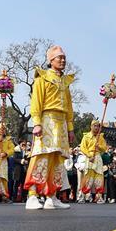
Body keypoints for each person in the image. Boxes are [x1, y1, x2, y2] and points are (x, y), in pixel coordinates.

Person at [23, 45, 75, 211]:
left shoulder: (65, 82)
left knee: (58, 160)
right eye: (59, 57)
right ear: (50, 60)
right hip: (47, 120)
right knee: (41, 156)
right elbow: (36, 102)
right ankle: (32, 195)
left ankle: (51, 196)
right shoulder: (42, 78)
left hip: (61, 124)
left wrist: (71, 127)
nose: (63, 60)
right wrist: (36, 122)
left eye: (64, 57)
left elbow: (69, 106)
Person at [78, 121, 108, 203]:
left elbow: (105, 148)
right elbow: (83, 148)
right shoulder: (86, 137)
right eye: (95, 126)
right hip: (90, 157)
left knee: (99, 176)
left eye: (98, 126)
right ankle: (82, 196)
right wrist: (89, 155)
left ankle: (99, 196)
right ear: (91, 126)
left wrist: (99, 146)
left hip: (98, 157)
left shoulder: (100, 137)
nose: (96, 127)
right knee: (88, 176)